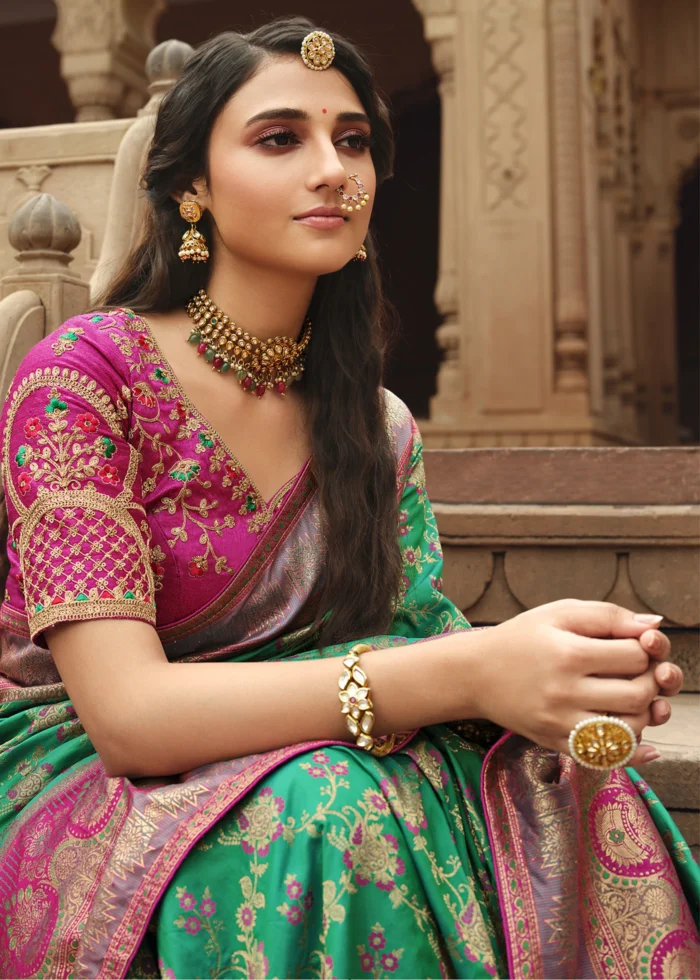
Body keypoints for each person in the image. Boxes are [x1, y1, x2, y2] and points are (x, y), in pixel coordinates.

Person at [0, 16, 697, 980]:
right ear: (191, 185)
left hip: (304, 735)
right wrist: (469, 672)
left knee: (564, 774)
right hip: (80, 758)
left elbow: (410, 631)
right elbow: (129, 715)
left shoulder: (375, 425)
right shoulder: (83, 384)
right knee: (334, 812)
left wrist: (565, 665)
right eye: (281, 138)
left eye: (354, 139)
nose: (334, 170)